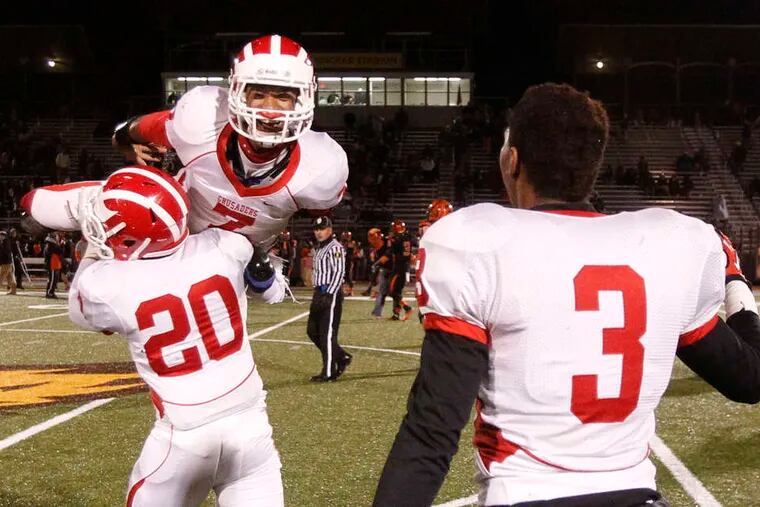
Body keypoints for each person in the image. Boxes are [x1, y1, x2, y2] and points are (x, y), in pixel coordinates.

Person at [373, 83, 760, 507]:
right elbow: (749, 379)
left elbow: (431, 432)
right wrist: (735, 282)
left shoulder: (479, 243)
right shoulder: (668, 246)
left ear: (513, 160)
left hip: (524, 494)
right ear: (593, 163)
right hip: (636, 496)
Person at [21, 34, 348, 262]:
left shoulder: (322, 168)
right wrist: (123, 142)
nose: (268, 109)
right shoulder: (202, 117)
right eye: (258, 94)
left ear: (303, 99)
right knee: (141, 193)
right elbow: (136, 128)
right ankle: (93, 216)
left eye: (283, 96)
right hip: (175, 225)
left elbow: (318, 213)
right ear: (236, 92)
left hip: (245, 251)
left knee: (233, 256)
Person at [68, 166, 285, 506]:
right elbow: (267, 283)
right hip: (251, 427)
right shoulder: (226, 245)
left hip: (183, 440)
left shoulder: (107, 286)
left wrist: (94, 250)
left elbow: (78, 308)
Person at [307, 216, 352, 382]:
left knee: (327, 334)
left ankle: (328, 372)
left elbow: (339, 272)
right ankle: (341, 357)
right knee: (312, 331)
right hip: (319, 292)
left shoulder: (335, 247)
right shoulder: (319, 247)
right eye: (316, 229)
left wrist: (330, 293)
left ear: (330, 229)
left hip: (330, 293)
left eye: (322, 229)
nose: (319, 232)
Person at [387, 219, 414, 321]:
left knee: (391, 291)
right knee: (397, 291)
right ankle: (396, 314)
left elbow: (391, 252)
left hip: (399, 266)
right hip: (405, 266)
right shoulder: (408, 236)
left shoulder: (397, 238)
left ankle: (407, 308)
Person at [366, 227, 392, 318]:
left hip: (392, 269)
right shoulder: (374, 246)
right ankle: (377, 311)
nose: (371, 239)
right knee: (382, 292)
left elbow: (386, 257)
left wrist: (376, 264)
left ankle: (406, 308)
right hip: (384, 269)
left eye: (372, 237)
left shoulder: (387, 242)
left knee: (392, 293)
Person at [43, 233, 62, 298]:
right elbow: (59, 251)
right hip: (52, 264)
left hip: (53, 264)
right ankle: (50, 293)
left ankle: (51, 292)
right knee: (52, 279)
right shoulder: (51, 244)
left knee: (53, 279)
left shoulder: (50, 244)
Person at [0, 230, 16, 295]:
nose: (1, 237)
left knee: (1, 276)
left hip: (6, 262)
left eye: (2, 235)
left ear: (4, 236)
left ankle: (13, 290)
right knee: (10, 277)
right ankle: (13, 291)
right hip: (7, 262)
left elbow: (6, 252)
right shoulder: (4, 242)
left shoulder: (6, 242)